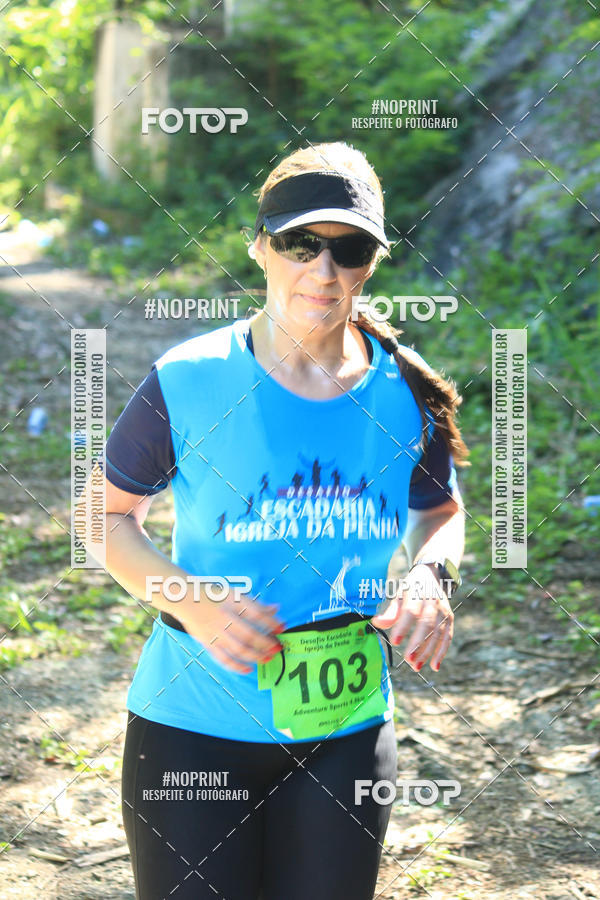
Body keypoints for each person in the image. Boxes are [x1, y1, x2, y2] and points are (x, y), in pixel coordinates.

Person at [98, 141, 468, 900]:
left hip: (347, 730)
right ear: (259, 247)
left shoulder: (406, 393)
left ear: (373, 260)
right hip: (193, 726)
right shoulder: (190, 378)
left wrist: (433, 573)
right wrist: (190, 599)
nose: (322, 271)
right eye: (301, 243)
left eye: (348, 248)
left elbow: (442, 512)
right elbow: (102, 520)